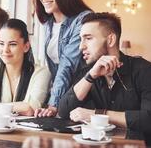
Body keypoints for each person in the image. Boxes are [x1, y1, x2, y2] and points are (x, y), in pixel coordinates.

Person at [58, 12, 151, 145]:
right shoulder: (87, 72)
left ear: (110, 40)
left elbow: (148, 118)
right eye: (81, 39)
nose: (81, 46)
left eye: (88, 38)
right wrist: (90, 76)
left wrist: (96, 115)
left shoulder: (143, 69)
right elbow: (64, 111)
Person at [34, 0, 92, 117]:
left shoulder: (82, 19)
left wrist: (53, 104)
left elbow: (67, 64)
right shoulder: (48, 24)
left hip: (85, 94)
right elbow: (53, 68)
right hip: (63, 94)